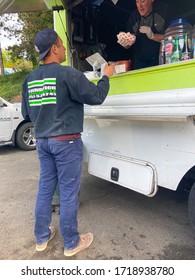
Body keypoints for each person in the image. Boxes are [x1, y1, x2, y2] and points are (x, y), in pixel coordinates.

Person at [22, 28, 114, 257]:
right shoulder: (67, 74)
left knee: (45, 190)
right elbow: (96, 97)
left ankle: (42, 238)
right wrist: (106, 76)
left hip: (43, 142)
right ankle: (71, 242)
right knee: (68, 192)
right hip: (67, 144)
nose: (64, 49)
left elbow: (26, 114)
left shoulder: (29, 80)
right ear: (53, 48)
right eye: (62, 45)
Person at [117, 0, 171, 69]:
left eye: (142, 1)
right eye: (137, 2)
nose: (140, 6)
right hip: (139, 64)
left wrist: (153, 36)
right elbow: (129, 42)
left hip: (161, 62)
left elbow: (173, 37)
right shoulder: (133, 17)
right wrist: (125, 43)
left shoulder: (164, 11)